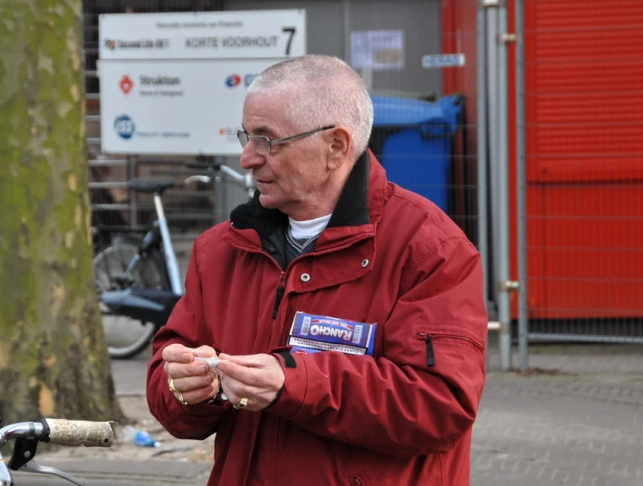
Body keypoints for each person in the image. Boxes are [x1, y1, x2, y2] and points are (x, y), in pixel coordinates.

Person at [147, 55, 487, 485]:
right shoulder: (220, 250)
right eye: (246, 137)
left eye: (267, 141)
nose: (248, 158)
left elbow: (440, 406)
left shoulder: (429, 249)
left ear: (336, 146)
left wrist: (293, 383)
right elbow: (169, 390)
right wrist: (185, 387)